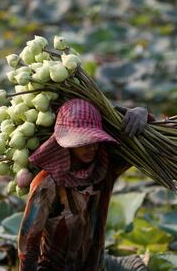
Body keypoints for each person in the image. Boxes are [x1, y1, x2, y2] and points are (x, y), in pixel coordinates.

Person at [17, 98, 154, 270]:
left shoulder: (104, 170)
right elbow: (28, 244)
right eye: (83, 141)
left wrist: (143, 115)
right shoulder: (47, 183)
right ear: (66, 142)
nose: (91, 147)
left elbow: (146, 151)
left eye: (94, 140)